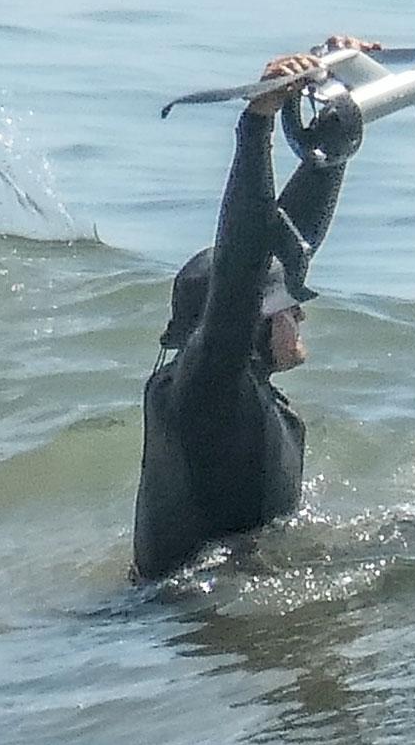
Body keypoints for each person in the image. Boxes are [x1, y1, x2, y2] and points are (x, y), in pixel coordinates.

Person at [133, 36, 378, 580]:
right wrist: (256, 125)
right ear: (246, 323)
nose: (301, 315)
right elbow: (243, 268)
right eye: (288, 307)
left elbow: (281, 251)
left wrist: (329, 152)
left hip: (192, 610)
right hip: (193, 617)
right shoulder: (207, 390)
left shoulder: (207, 387)